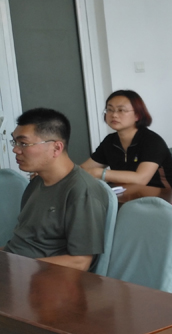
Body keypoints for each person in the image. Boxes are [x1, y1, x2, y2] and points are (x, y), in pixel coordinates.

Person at [3, 108, 110, 271]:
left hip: (40, 277)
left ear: (56, 148)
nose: (15, 150)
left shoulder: (82, 191)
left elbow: (80, 262)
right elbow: (21, 245)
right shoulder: (36, 183)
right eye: (15, 142)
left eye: (23, 143)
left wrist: (14, 266)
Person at [82, 90, 172, 188]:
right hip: (128, 194)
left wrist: (101, 173)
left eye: (121, 110)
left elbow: (140, 179)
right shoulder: (110, 141)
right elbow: (83, 170)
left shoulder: (152, 141)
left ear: (137, 115)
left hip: (163, 195)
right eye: (109, 110)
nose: (114, 115)